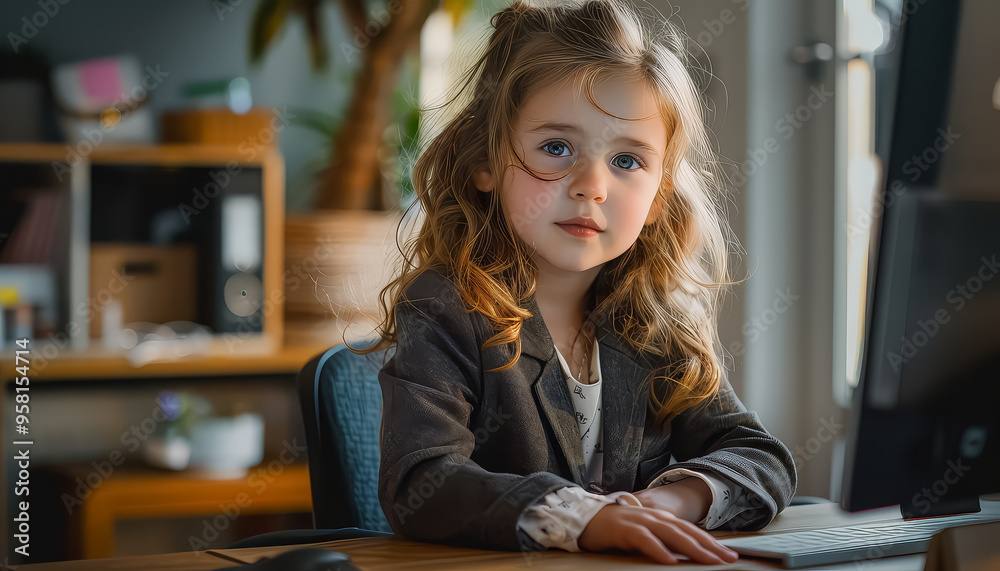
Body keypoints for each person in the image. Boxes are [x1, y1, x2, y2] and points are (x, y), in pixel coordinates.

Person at [352, 0, 797, 564]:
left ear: (659, 196)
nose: (592, 186)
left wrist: (675, 502)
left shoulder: (656, 320)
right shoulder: (446, 307)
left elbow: (760, 454)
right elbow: (421, 481)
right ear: (484, 161)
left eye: (628, 161)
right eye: (556, 148)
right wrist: (587, 517)